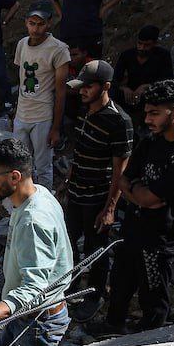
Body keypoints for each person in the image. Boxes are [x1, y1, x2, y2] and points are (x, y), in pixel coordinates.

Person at [100, 79, 174, 334]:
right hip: (134, 226)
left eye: (154, 113)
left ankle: (147, 340)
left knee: (153, 292)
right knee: (120, 281)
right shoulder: (152, 141)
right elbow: (125, 180)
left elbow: (149, 198)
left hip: (160, 237)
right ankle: (113, 327)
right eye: (147, 112)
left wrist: (139, 192)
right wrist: (140, 193)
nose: (147, 119)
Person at [0, 138, 73, 346]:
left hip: (37, 321)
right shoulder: (38, 193)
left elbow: (36, 288)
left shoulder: (33, 220)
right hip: (21, 312)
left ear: (14, 177)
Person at [63, 61, 133, 321]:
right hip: (76, 193)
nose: (82, 91)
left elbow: (120, 171)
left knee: (96, 249)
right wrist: (68, 179)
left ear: (105, 87)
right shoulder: (85, 112)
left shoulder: (119, 121)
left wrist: (110, 208)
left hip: (97, 197)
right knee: (68, 243)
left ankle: (94, 295)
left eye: (88, 87)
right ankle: (68, 288)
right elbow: (79, 150)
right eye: (80, 86)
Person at [13, 1, 71, 189]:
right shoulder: (22, 44)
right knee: (19, 164)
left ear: (49, 23)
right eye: (32, 23)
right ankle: (23, 200)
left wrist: (56, 128)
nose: (36, 29)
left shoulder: (58, 50)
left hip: (42, 117)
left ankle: (45, 201)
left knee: (43, 167)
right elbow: (21, 80)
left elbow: (61, 92)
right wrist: (16, 112)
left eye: (40, 24)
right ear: (26, 22)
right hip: (22, 115)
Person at [115, 25, 174, 121]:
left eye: (147, 45)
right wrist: (124, 88)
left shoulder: (163, 55)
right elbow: (115, 78)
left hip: (152, 95)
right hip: (130, 96)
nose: (142, 48)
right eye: (139, 43)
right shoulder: (127, 55)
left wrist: (147, 86)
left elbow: (168, 81)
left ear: (154, 44)